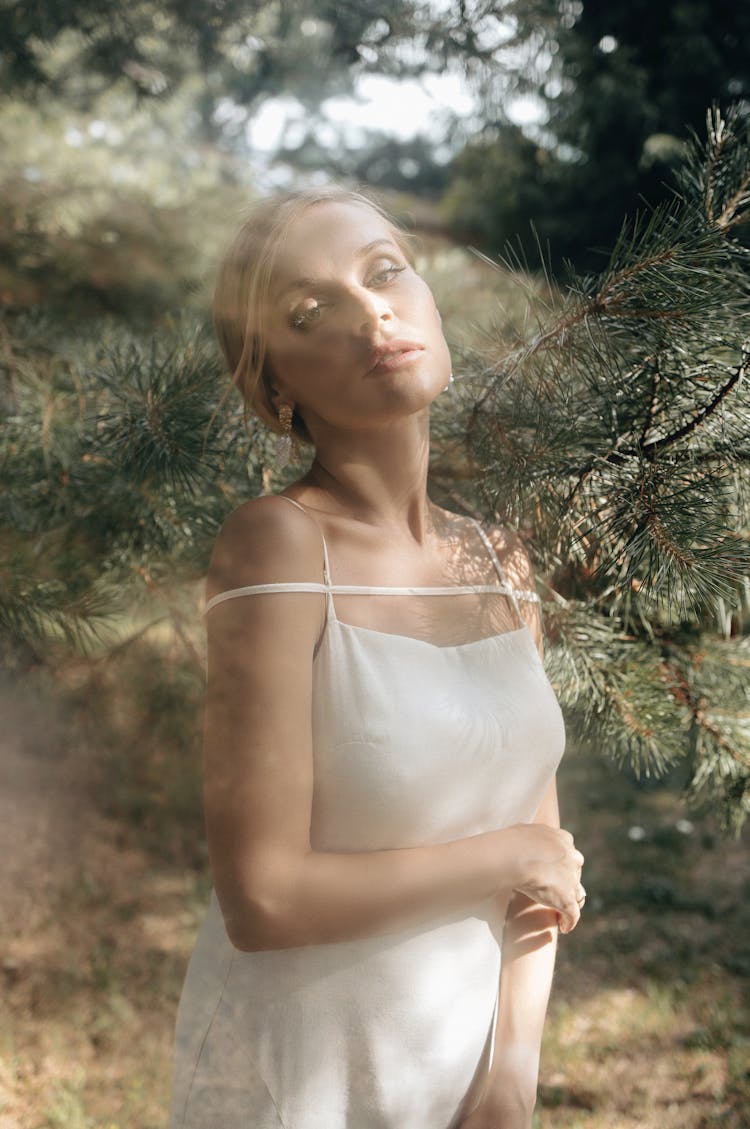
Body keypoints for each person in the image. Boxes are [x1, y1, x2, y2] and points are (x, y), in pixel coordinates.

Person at [168, 186, 585, 1129]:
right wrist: (509, 853)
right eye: (311, 312)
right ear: (275, 383)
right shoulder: (274, 547)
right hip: (305, 1074)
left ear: (430, 300)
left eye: (385, 271)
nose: (372, 312)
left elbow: (544, 872)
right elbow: (264, 897)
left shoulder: (502, 561)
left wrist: (511, 1077)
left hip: (469, 1074)